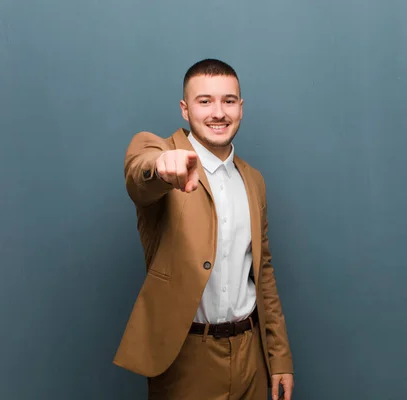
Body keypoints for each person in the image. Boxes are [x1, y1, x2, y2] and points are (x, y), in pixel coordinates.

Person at [113, 58, 294, 400]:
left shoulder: (253, 179)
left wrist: (279, 357)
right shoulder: (160, 152)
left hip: (250, 355)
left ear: (241, 108)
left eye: (228, 101)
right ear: (185, 109)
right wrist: (161, 168)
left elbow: (262, 272)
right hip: (186, 357)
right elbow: (140, 176)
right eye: (204, 101)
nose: (218, 113)